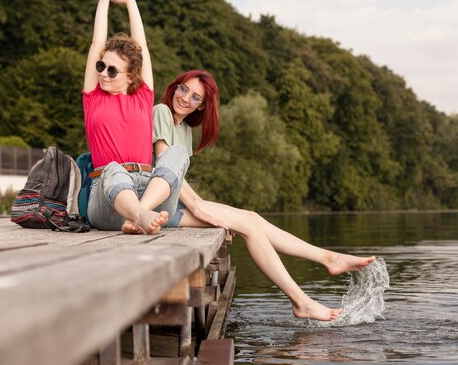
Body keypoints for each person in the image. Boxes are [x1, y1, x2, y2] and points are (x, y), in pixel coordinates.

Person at [123, 69, 376, 321]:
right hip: (148, 205)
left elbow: (180, 181)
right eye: (184, 89)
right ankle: (303, 299)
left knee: (252, 219)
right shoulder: (162, 112)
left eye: (195, 98)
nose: (185, 98)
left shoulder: (186, 131)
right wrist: (199, 208)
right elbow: (166, 167)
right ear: (175, 87)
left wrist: (201, 205)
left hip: (170, 203)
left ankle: (327, 260)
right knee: (249, 225)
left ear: (202, 107)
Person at [82, 0, 189, 234]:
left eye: (112, 70)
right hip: (108, 198)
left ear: (131, 76)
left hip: (149, 189)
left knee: (178, 152)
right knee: (112, 167)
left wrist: (131, 2)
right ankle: (139, 214)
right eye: (101, 65)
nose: (102, 73)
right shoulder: (93, 97)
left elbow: (142, 47)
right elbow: (97, 42)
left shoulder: (143, 96)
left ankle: (139, 213)